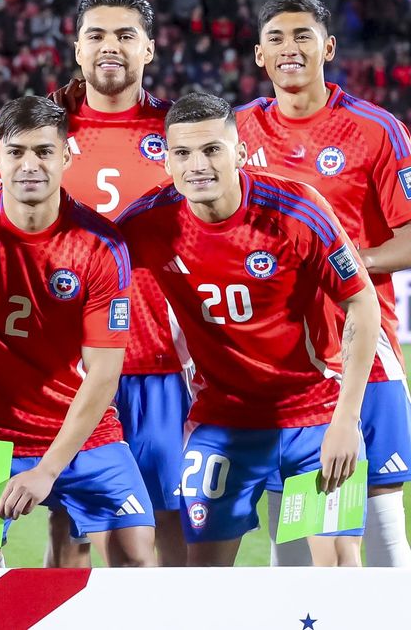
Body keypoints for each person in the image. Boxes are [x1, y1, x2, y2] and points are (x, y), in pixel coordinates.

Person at [0, 0, 187, 566]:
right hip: (60, 376)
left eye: (125, 35)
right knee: (69, 535)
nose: (111, 47)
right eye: (96, 35)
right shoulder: (43, 133)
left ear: (150, 48)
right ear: (76, 47)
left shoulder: (183, 136)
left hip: (160, 366)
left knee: (161, 542)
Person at [117, 92, 379, 567]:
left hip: (313, 416)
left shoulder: (297, 209)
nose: (198, 165)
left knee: (338, 571)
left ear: (239, 153)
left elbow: (361, 302)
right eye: (182, 154)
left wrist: (346, 419)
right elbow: (73, 249)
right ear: (167, 159)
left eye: (212, 150)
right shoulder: (147, 222)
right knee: (204, 580)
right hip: (222, 421)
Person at [0, 96, 157, 568]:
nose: (29, 164)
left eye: (43, 151)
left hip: (84, 436)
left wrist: (47, 471)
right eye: (16, 152)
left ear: (66, 157)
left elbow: (103, 376)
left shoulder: (100, 245)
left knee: (137, 562)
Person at [237, 0, 411, 567]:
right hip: (274, 361)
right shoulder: (236, 134)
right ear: (259, 55)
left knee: (379, 518)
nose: (291, 49)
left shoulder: (374, 130)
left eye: (303, 36)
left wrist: (337, 262)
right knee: (294, 517)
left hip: (363, 348)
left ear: (328, 48)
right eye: (277, 40)